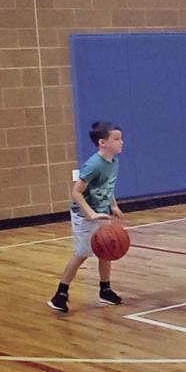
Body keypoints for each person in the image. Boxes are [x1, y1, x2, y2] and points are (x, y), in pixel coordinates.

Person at [47, 120, 126, 313]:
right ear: (102, 142)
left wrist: (113, 205)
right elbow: (76, 192)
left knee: (107, 250)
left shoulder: (113, 161)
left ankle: (105, 290)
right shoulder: (93, 165)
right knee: (82, 254)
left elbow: (108, 186)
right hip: (85, 216)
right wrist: (91, 213)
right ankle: (60, 295)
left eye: (121, 138)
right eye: (116, 139)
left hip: (101, 213)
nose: (121, 142)